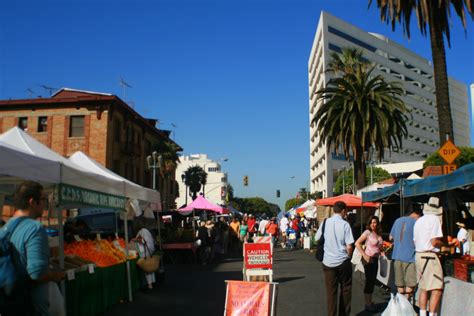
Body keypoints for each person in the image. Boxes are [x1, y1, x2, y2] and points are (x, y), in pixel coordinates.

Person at [1, 181, 65, 316]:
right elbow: (37, 272)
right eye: (43, 200)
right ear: (32, 202)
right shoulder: (35, 228)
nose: (45, 204)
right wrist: (56, 275)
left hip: (8, 301)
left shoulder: (5, 228)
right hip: (31, 305)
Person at [414, 197, 456, 316]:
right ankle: (432, 314)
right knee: (436, 288)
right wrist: (446, 245)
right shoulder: (434, 219)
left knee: (423, 288)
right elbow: (434, 242)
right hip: (429, 257)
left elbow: (415, 241)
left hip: (419, 255)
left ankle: (423, 314)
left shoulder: (419, 221)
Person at [315, 201, 354, 316]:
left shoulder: (325, 222)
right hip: (342, 260)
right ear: (343, 211)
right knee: (346, 288)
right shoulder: (345, 224)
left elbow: (317, 238)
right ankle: (344, 314)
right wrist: (349, 256)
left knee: (331, 292)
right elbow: (349, 245)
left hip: (328, 262)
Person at [389, 208, 421, 303]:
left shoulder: (397, 220)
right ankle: (406, 305)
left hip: (397, 256)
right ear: (417, 215)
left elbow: (391, 237)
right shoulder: (416, 223)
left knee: (400, 285)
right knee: (410, 285)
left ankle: (401, 305)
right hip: (410, 257)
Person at [355, 216, 384, 312]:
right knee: (369, 281)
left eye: (375, 222)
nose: (373, 224)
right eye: (371, 222)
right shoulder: (367, 232)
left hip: (375, 259)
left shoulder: (378, 234)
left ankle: (370, 302)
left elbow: (379, 247)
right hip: (369, 259)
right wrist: (364, 254)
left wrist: (382, 251)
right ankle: (368, 304)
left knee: (372, 281)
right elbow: (357, 243)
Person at [133, 218, 156, 291]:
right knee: (150, 268)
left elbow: (143, 241)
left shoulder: (143, 231)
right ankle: (151, 284)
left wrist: (134, 240)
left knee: (147, 269)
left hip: (146, 252)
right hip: (149, 251)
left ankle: (149, 286)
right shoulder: (145, 230)